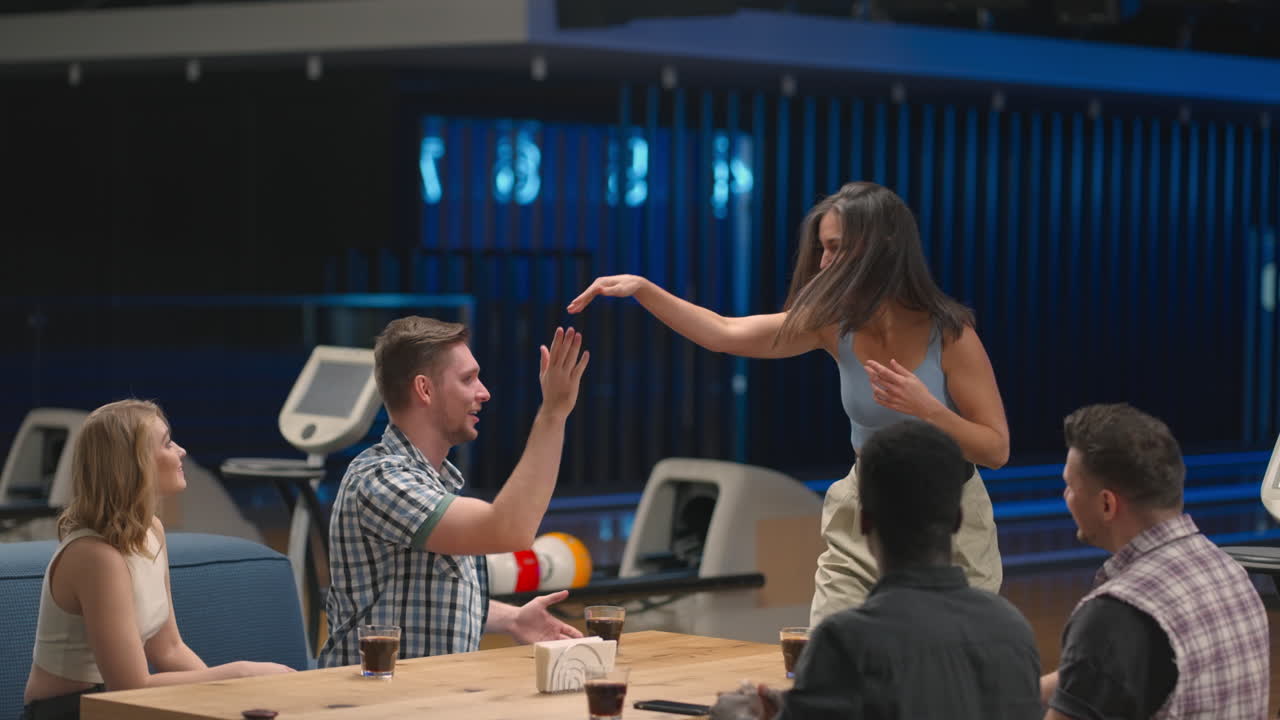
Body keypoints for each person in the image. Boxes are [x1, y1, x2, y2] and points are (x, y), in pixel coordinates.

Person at [568, 180, 1008, 623]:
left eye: (836, 248)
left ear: (883, 246)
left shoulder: (949, 333)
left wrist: (927, 408)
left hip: (945, 510)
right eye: (822, 249)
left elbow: (995, 448)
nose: (823, 263)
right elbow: (724, 333)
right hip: (865, 504)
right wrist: (645, 289)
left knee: (940, 659)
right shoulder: (833, 324)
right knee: (830, 647)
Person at [710, 420, 1041, 720]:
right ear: (957, 519)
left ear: (865, 520)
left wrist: (735, 716)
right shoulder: (1011, 628)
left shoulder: (846, 640)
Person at [319, 317, 589, 667]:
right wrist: (553, 413)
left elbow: (427, 595)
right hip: (370, 702)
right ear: (425, 390)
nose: (484, 392)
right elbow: (509, 530)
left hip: (426, 696)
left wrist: (511, 619)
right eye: (468, 379)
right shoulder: (380, 479)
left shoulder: (432, 482)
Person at [22, 400, 294, 720]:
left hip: (112, 702)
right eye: (167, 443)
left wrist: (223, 701)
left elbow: (169, 649)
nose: (181, 451)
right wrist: (239, 674)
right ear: (132, 465)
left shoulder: (151, 530)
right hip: (70, 709)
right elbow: (129, 686)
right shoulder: (95, 557)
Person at [1041, 404, 1269, 719]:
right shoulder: (1229, 572)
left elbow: (1111, 653)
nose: (1065, 496)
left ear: (1107, 504)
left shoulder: (1116, 614)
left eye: (1070, 486)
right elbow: (1115, 667)